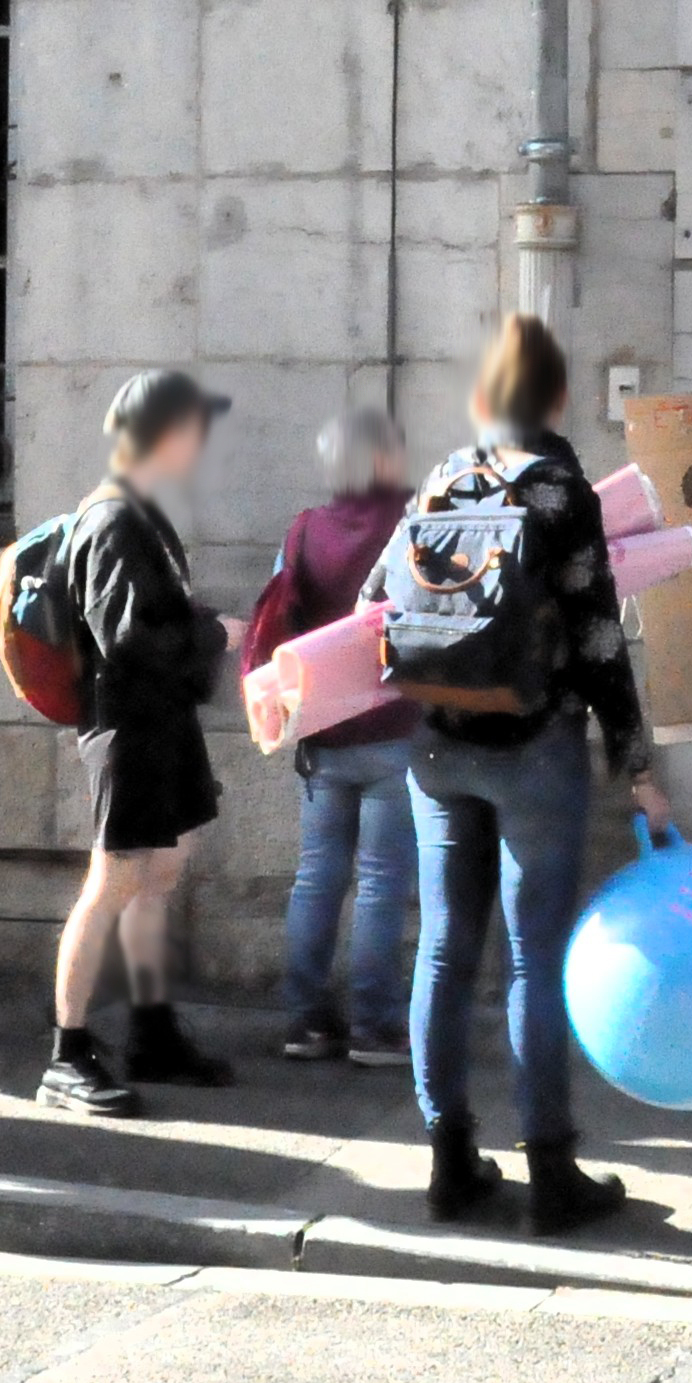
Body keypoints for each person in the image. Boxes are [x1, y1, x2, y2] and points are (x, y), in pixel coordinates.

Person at [382, 314, 665, 1237]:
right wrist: (634, 757)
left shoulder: (443, 476)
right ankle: (549, 1172)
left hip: (436, 745)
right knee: (533, 958)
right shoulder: (560, 489)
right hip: (534, 745)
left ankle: (448, 1164)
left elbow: (377, 601)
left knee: (442, 949)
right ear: (556, 394)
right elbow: (596, 634)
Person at [39, 369, 239, 1116]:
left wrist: (205, 627)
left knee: (160, 870)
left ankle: (152, 1032)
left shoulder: (143, 515)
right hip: (127, 730)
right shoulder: (113, 521)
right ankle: (66, 1054)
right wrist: (213, 634)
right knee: (113, 882)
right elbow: (126, 637)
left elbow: (154, 616)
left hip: (161, 722)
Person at [252, 406, 419, 1069]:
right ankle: (375, 1027)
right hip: (396, 730)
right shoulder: (413, 523)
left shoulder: (304, 530)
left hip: (322, 735)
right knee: (381, 883)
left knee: (316, 878)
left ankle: (305, 1020)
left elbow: (280, 616)